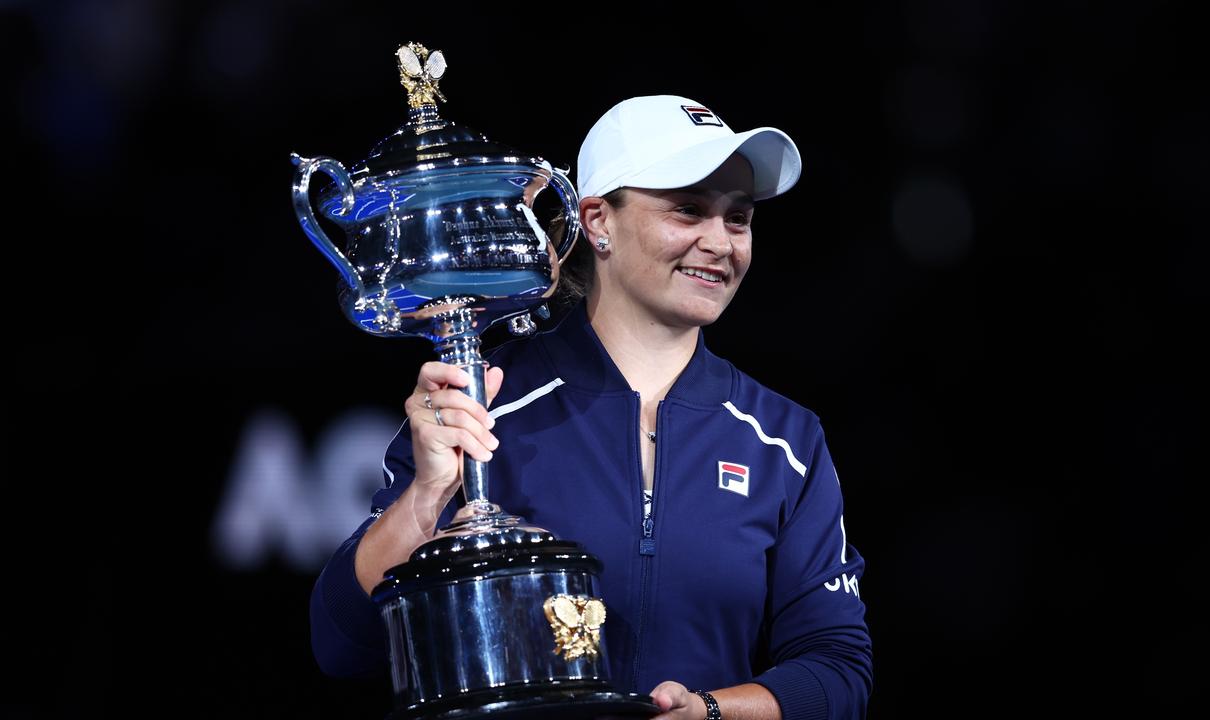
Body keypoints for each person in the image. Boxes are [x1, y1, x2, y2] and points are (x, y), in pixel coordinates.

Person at [310, 95, 873, 720]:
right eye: (688, 210)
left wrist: (709, 711)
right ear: (597, 221)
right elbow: (341, 643)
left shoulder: (784, 439)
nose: (719, 242)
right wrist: (425, 500)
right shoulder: (485, 402)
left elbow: (837, 670)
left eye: (737, 219)